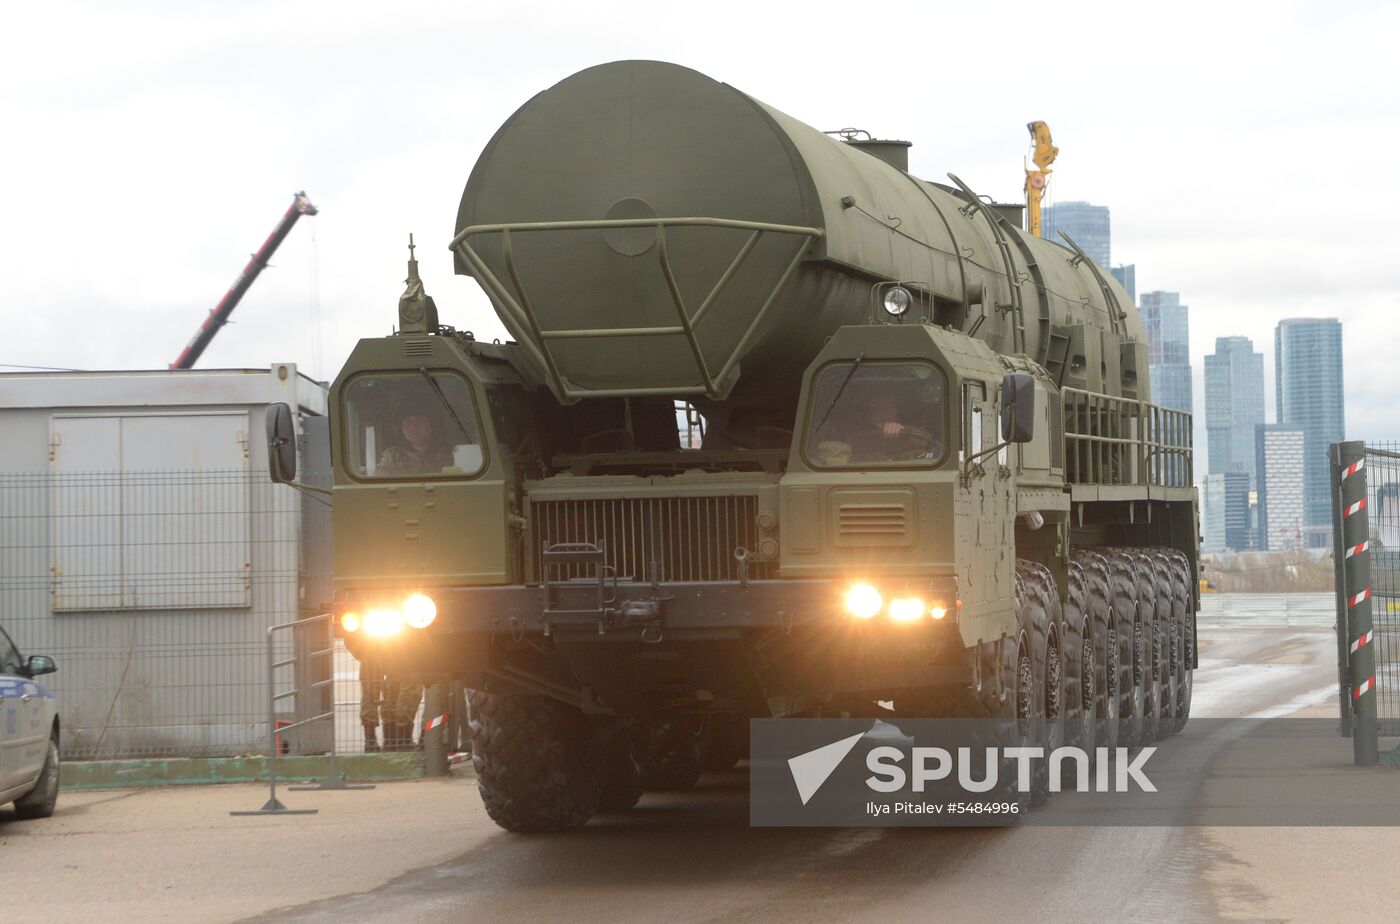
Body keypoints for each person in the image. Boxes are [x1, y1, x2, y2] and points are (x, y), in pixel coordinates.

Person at [858, 395, 939, 462]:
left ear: (896, 411)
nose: (882, 412)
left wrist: (904, 430)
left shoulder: (912, 432)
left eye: (888, 407)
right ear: (869, 415)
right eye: (876, 408)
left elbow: (934, 446)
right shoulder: (859, 437)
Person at [377, 412, 453, 476]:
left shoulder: (451, 452)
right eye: (407, 423)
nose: (413, 428)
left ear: (430, 425)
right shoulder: (392, 456)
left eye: (419, 422)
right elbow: (379, 485)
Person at [359, 655, 386, 753]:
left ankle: (392, 740)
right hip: (371, 653)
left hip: (392, 649)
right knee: (370, 694)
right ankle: (371, 741)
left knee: (394, 690)